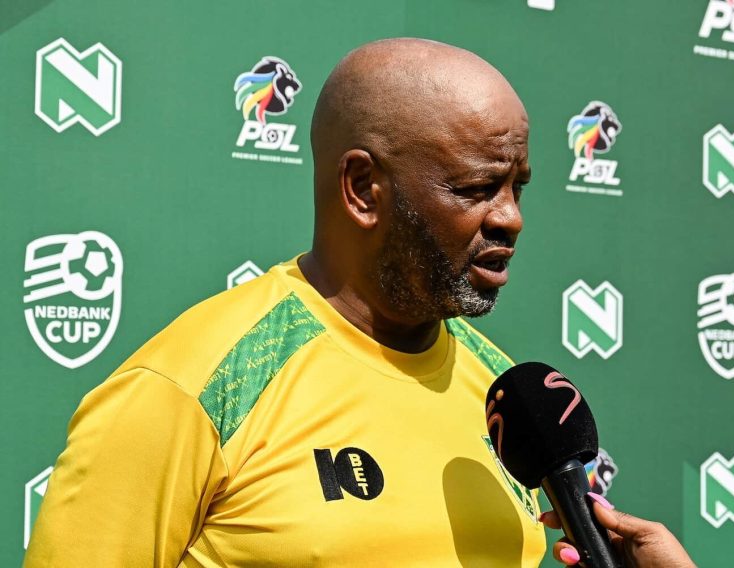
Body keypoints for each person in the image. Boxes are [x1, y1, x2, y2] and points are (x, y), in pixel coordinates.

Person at [24, 38, 693, 567]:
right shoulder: (193, 388)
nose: (510, 218)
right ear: (363, 188)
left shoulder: (504, 397)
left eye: (517, 187)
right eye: (475, 188)